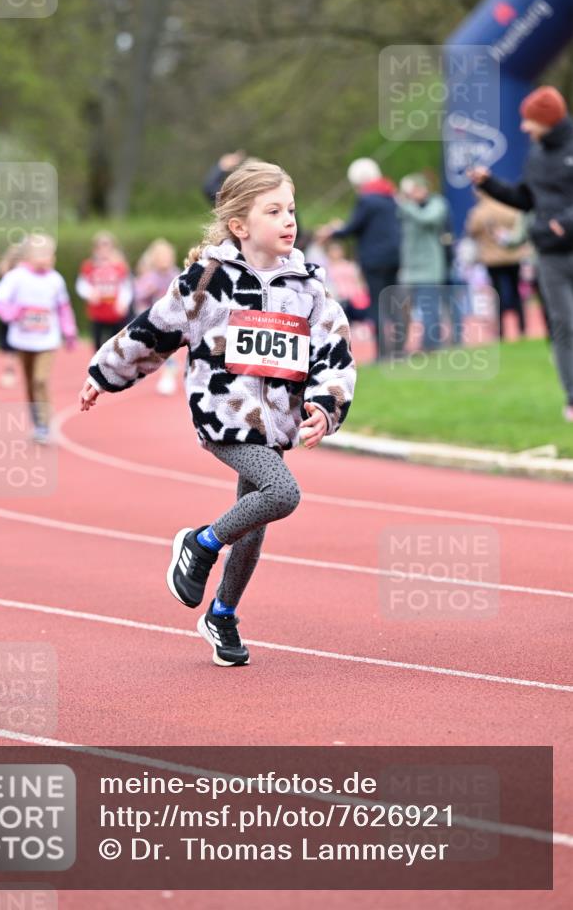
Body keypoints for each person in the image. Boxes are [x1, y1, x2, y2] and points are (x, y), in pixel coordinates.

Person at [79, 160, 356, 667]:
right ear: (239, 225)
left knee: (255, 521)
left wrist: (325, 404)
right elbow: (154, 329)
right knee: (282, 493)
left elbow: (334, 352)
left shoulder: (308, 288)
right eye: (274, 211)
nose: (289, 220)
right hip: (224, 414)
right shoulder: (207, 279)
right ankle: (200, 544)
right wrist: (104, 372)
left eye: (291, 209)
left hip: (277, 422)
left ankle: (222, 614)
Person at [469, 85, 573, 420]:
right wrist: (489, 184)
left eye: (529, 120)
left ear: (547, 119)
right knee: (563, 325)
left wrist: (565, 223)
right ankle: (572, 397)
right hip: (550, 255)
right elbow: (525, 199)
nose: (524, 127)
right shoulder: (536, 155)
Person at [0, 233, 78, 443]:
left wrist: (69, 331)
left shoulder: (55, 279)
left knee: (40, 380)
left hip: (47, 340)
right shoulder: (16, 277)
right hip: (23, 339)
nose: (46, 258)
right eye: (41, 253)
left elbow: (63, 307)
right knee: (30, 382)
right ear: (27, 255)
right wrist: (13, 313)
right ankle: (37, 422)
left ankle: (45, 424)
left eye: (49, 254)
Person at [322, 157, 402, 361]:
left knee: (376, 304)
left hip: (373, 259)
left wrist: (334, 230)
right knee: (393, 301)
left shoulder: (367, 199)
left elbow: (353, 227)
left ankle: (382, 352)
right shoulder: (390, 196)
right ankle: (399, 348)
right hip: (394, 256)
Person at [464, 192, 531, 340]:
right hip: (513, 256)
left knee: (497, 294)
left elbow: (471, 231)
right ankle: (522, 328)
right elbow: (520, 225)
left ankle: (501, 331)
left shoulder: (479, 212)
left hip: (492, 259)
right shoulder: (509, 207)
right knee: (516, 292)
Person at [397, 174, 450, 352]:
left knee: (429, 307)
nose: (414, 193)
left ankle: (431, 345)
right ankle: (401, 346)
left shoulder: (437, 204)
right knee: (403, 308)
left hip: (430, 268)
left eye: (417, 189)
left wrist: (407, 204)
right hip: (409, 269)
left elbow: (427, 219)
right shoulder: (408, 208)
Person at [134, 238, 181, 395]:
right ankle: (168, 371)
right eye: (160, 257)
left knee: (167, 348)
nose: (164, 260)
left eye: (166, 256)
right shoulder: (150, 276)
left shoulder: (175, 274)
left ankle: (168, 376)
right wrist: (147, 291)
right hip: (155, 320)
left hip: (173, 319)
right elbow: (138, 295)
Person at [76, 231, 133, 351]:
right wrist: (89, 293)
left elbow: (126, 287)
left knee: (116, 343)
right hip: (97, 312)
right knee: (97, 343)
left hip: (115, 313)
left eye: (107, 247)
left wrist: (123, 302)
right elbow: (81, 284)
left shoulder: (120, 267)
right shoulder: (89, 266)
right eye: (100, 247)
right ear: (94, 249)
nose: (104, 251)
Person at [0, 243, 23, 387]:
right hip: (10, 313)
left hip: (23, 313)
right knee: (9, 343)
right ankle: (9, 370)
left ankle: (15, 369)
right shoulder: (8, 274)